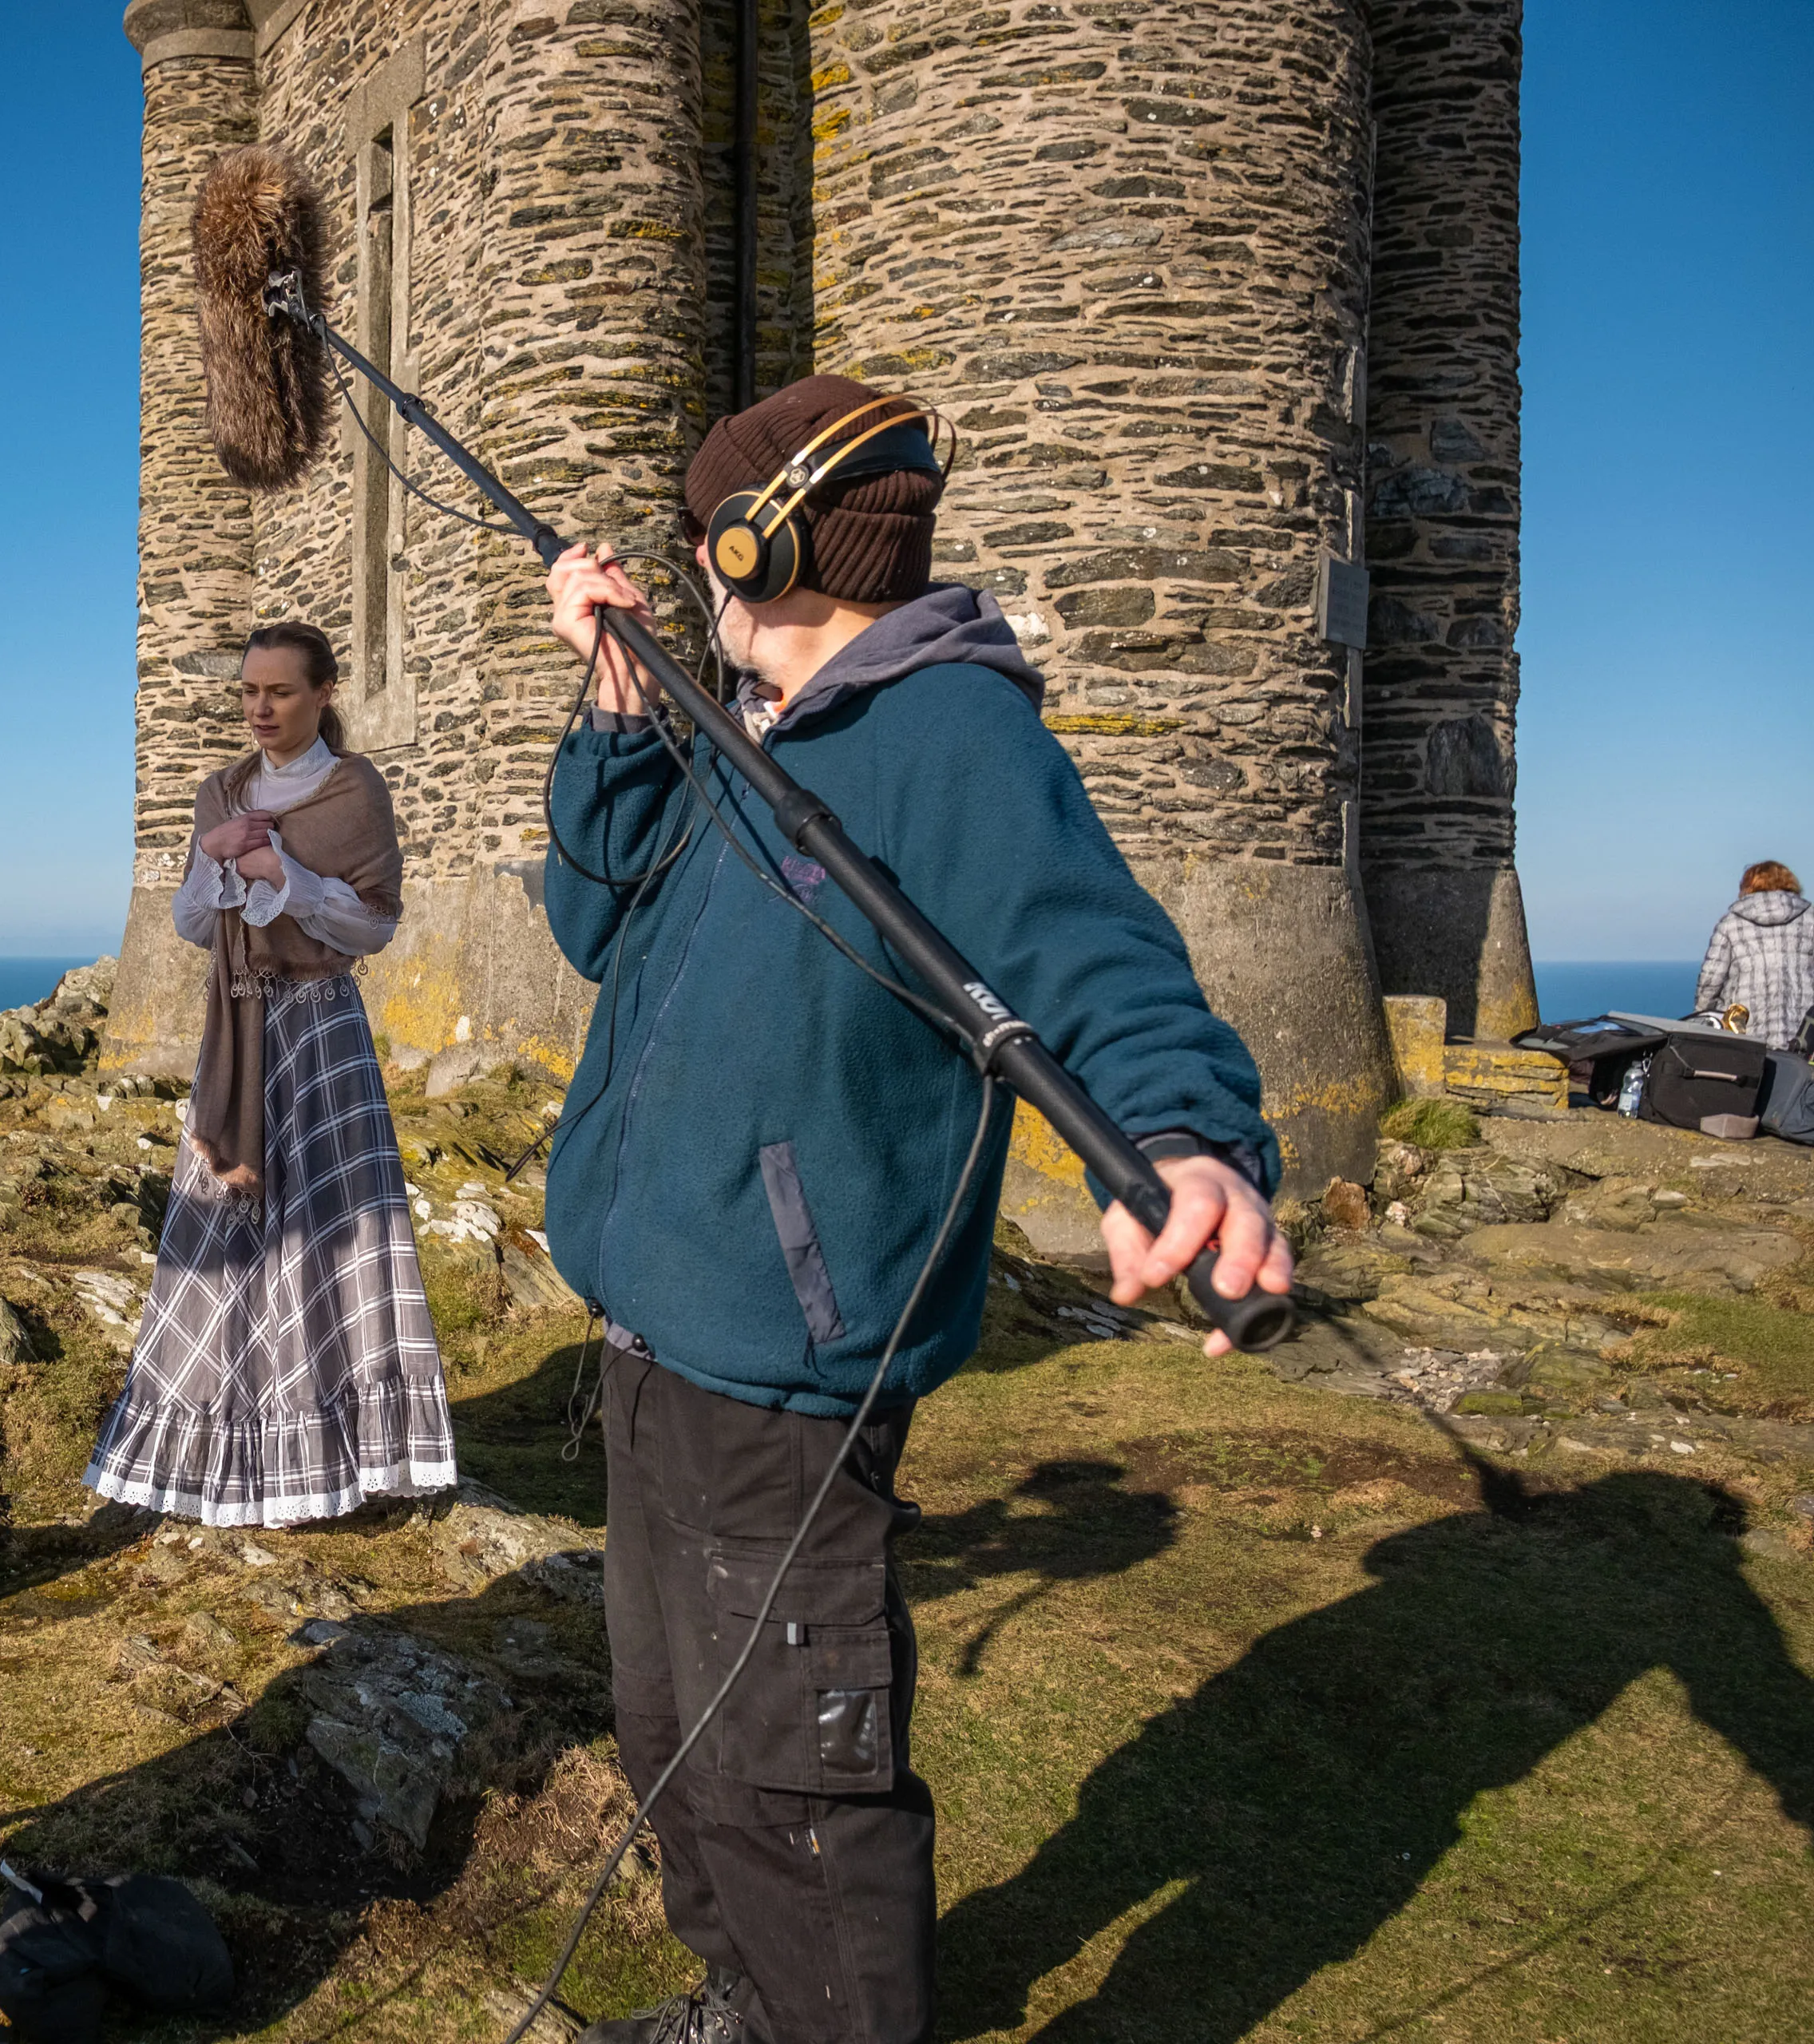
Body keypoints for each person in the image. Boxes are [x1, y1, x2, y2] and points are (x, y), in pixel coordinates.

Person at [540, 375, 1293, 2044]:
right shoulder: (758, 728)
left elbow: (1097, 958)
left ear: (763, 542)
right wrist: (612, 711)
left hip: (786, 1368)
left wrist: (1191, 1138)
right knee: (674, 1730)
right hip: (655, 1327)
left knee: (799, 1776)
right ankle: (746, 2004)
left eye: (708, 538)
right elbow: (598, 924)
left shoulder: (951, 734)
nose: (694, 571)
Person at [84, 621, 457, 1526]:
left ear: (323, 693)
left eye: (280, 691)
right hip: (238, 1029)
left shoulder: (354, 791)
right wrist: (216, 864)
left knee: (332, 1235)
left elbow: (373, 926)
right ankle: (213, 1452)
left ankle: (341, 1454)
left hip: (319, 1030)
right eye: (249, 691)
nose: (260, 708)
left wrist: (281, 868)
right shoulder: (220, 791)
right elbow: (189, 923)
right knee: (221, 1235)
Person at [1691, 859, 1812, 1048]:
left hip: (1743, 1036)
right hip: (1802, 1037)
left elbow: (1710, 983)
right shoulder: (1810, 919)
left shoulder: (1731, 924)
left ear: (1748, 886)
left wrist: (1703, 1021)